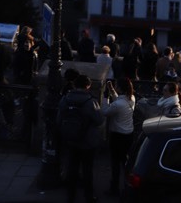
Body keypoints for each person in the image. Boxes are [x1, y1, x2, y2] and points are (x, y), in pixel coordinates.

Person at [57, 73, 104, 203]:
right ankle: (88, 196)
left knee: (72, 168)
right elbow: (99, 120)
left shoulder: (65, 99)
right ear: (88, 86)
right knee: (87, 170)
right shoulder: (90, 101)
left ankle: (70, 195)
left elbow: (59, 119)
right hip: (87, 141)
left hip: (70, 140)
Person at [101, 77, 135, 195]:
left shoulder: (118, 104)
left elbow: (105, 111)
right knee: (125, 162)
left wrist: (105, 97)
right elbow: (118, 101)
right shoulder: (131, 99)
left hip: (117, 136)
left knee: (115, 163)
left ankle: (114, 188)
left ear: (120, 88)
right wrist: (111, 90)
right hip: (128, 135)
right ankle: (127, 186)